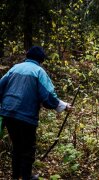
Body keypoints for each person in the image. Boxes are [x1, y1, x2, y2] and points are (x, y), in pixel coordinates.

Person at [0, 46, 72, 180]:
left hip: (8, 113)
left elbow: (0, 86)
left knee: (17, 146)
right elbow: (48, 96)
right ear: (41, 60)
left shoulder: (15, 68)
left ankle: (16, 176)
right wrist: (63, 106)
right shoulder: (39, 71)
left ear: (27, 56)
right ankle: (27, 177)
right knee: (27, 148)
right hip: (26, 116)